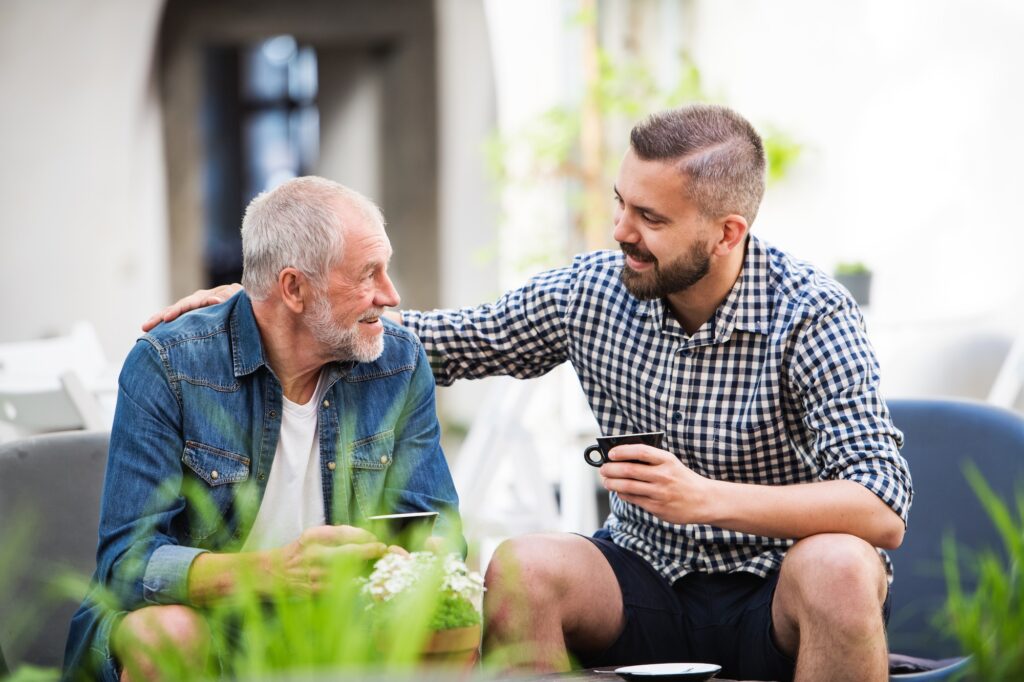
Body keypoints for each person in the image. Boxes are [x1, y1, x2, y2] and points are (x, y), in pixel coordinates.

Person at [145, 104, 912, 682]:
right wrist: (286, 305)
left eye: (650, 217)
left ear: (728, 232)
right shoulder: (591, 292)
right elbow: (439, 340)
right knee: (523, 565)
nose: (620, 229)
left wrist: (705, 498)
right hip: (643, 579)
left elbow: (880, 507)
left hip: (774, 592)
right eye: (620, 202)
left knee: (842, 566)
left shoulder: (810, 312)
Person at [67, 177, 462, 681]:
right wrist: (275, 572)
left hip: (340, 626)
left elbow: (441, 529)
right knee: (167, 636)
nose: (391, 294)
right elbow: (127, 566)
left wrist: (420, 559)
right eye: (368, 274)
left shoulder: (398, 364)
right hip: (205, 626)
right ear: (294, 288)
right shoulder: (169, 364)